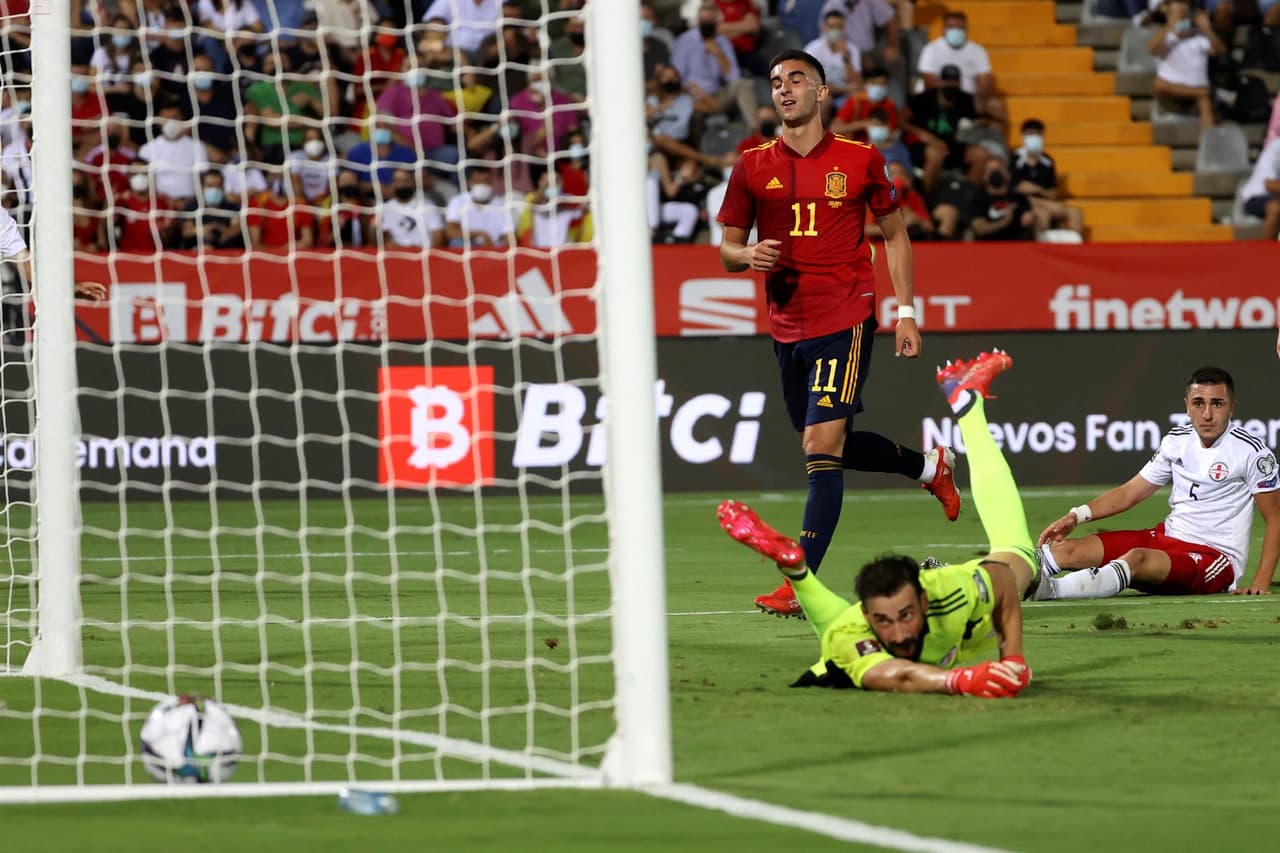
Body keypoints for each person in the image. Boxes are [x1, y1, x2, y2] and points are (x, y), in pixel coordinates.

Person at [716, 49, 960, 619]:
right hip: (787, 324)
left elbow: (895, 237)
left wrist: (906, 312)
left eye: (797, 79)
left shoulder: (860, 158)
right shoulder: (751, 164)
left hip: (846, 316)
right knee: (831, 446)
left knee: (819, 447)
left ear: (822, 92)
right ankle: (929, 468)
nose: (784, 89)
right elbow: (727, 250)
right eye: (776, 82)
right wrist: (747, 253)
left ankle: (799, 583)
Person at [718, 349, 1035, 697]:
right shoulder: (858, 640)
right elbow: (897, 676)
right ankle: (796, 572)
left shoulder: (947, 590)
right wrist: (958, 681)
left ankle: (796, 570)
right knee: (1017, 556)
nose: (898, 635)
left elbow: (1001, 580)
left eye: (905, 616)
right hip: (850, 647)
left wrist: (1013, 659)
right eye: (883, 621)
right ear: (869, 618)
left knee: (1017, 561)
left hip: (833, 330)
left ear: (925, 602)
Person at [1036, 367, 1280, 599]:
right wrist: (1076, 516)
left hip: (1213, 558)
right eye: (1198, 403)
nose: (1207, 414)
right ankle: (1011, 578)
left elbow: (1276, 518)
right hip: (1165, 538)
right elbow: (1129, 493)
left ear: (1231, 407)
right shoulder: (1176, 441)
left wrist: (1260, 582)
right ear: (1187, 407)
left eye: (1217, 404)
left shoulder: (1251, 452)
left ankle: (1050, 591)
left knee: (1137, 559)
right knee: (1065, 551)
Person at [1148, 0, 1225, 129]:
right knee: (1159, 84)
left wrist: (1207, 30)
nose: (1182, 7)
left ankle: (1208, 145)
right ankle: (1204, 93)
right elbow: (1151, 49)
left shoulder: (1199, 36)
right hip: (1171, 96)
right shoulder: (1164, 35)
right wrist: (1171, 26)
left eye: (1185, 3)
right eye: (1178, 3)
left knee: (1204, 102)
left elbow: (1220, 50)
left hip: (1195, 97)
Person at [1010, 119, 1082, 237]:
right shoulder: (1014, 159)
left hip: (1045, 202)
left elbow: (1052, 193)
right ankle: (1042, 251)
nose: (1034, 137)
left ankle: (1076, 249)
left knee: (1075, 213)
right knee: (1043, 214)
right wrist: (1036, 196)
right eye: (1030, 134)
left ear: (1042, 136)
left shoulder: (1047, 162)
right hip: (1023, 203)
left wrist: (1037, 189)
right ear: (1023, 136)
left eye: (1037, 134)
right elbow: (1015, 189)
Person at [1239, 136, 1280, 243]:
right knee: (1276, 208)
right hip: (1256, 197)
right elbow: (1269, 184)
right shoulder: (1276, 148)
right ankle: (1266, 252)